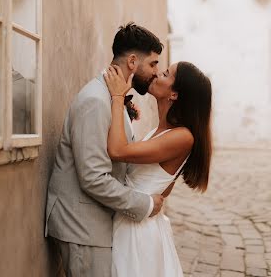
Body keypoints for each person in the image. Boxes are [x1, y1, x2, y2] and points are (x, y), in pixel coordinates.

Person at [45, 23, 165, 277]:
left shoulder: (114, 98)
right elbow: (93, 177)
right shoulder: (96, 101)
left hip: (96, 224)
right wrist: (143, 204)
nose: (156, 72)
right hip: (82, 226)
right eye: (153, 64)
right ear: (133, 61)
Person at [104, 61, 212, 277]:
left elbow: (117, 150)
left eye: (165, 74)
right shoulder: (159, 130)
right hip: (132, 217)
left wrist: (117, 98)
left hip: (137, 232)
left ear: (174, 94)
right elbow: (163, 184)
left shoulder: (183, 137)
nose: (156, 75)